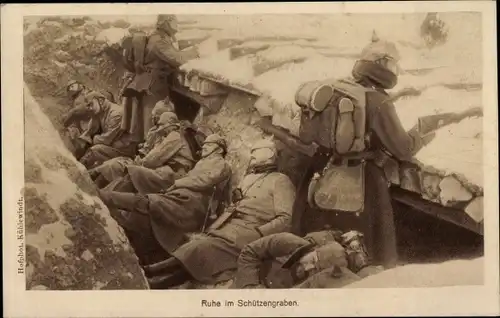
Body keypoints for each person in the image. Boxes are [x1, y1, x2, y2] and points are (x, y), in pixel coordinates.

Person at [290, 35, 435, 271]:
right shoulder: (377, 100)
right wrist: (424, 133)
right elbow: (403, 149)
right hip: (360, 179)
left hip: (320, 171)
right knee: (369, 251)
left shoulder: (337, 86)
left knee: (314, 240)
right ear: (383, 66)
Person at [144, 138, 297, 289]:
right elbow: (233, 207)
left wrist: (260, 233)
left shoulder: (281, 181)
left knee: (202, 248)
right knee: (199, 247)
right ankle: (155, 277)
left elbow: (286, 219)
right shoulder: (249, 178)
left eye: (256, 152)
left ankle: (155, 273)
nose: (252, 156)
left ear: (269, 153)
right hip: (232, 226)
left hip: (252, 231)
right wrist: (214, 226)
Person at [99, 133, 232, 266]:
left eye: (209, 145)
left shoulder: (221, 164)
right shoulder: (203, 162)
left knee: (150, 202)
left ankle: (103, 197)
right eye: (204, 145)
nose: (204, 147)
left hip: (194, 204)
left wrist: (178, 183)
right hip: (183, 197)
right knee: (141, 214)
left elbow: (205, 181)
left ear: (219, 149)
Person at [119, 14, 199, 144]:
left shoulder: (158, 38)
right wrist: (195, 52)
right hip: (154, 84)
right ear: (166, 23)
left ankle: (145, 145)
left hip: (150, 82)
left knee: (149, 116)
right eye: (174, 21)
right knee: (153, 116)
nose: (177, 25)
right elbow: (176, 58)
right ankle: (149, 146)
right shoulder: (159, 41)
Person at [233, 230, 383, 289]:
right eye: (311, 260)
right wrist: (250, 287)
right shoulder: (289, 242)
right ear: (311, 250)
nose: (306, 268)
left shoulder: (317, 284)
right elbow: (249, 252)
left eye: (315, 270)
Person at [93, 111, 196, 194]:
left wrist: (141, 162)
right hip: (167, 172)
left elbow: (152, 159)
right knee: (127, 169)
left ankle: (106, 196)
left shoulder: (174, 136)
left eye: (161, 125)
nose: (160, 129)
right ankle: (103, 192)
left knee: (134, 172)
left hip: (173, 175)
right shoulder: (172, 136)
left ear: (170, 124)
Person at [77, 91, 138, 169]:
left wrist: (93, 138)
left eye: (91, 104)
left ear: (101, 101)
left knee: (95, 150)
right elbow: (88, 133)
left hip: (124, 151)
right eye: (88, 106)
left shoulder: (116, 113)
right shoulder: (100, 111)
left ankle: (78, 170)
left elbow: (106, 140)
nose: (90, 108)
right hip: (113, 147)